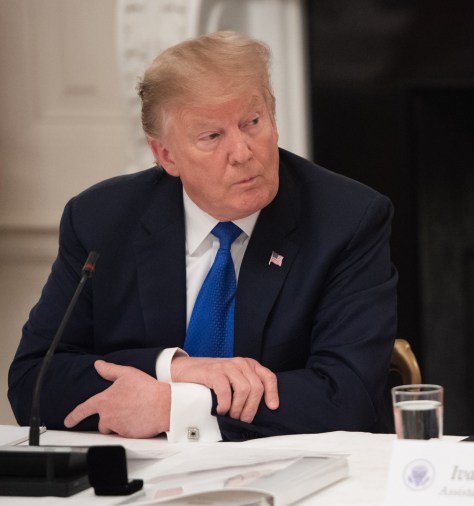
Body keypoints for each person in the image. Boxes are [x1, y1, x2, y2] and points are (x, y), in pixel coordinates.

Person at [7, 31, 398, 442]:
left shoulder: (346, 219)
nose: (243, 152)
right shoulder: (102, 220)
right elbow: (34, 380)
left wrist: (176, 407)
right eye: (212, 137)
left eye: (252, 122)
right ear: (166, 156)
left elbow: (348, 397)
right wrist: (172, 368)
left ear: (274, 116)